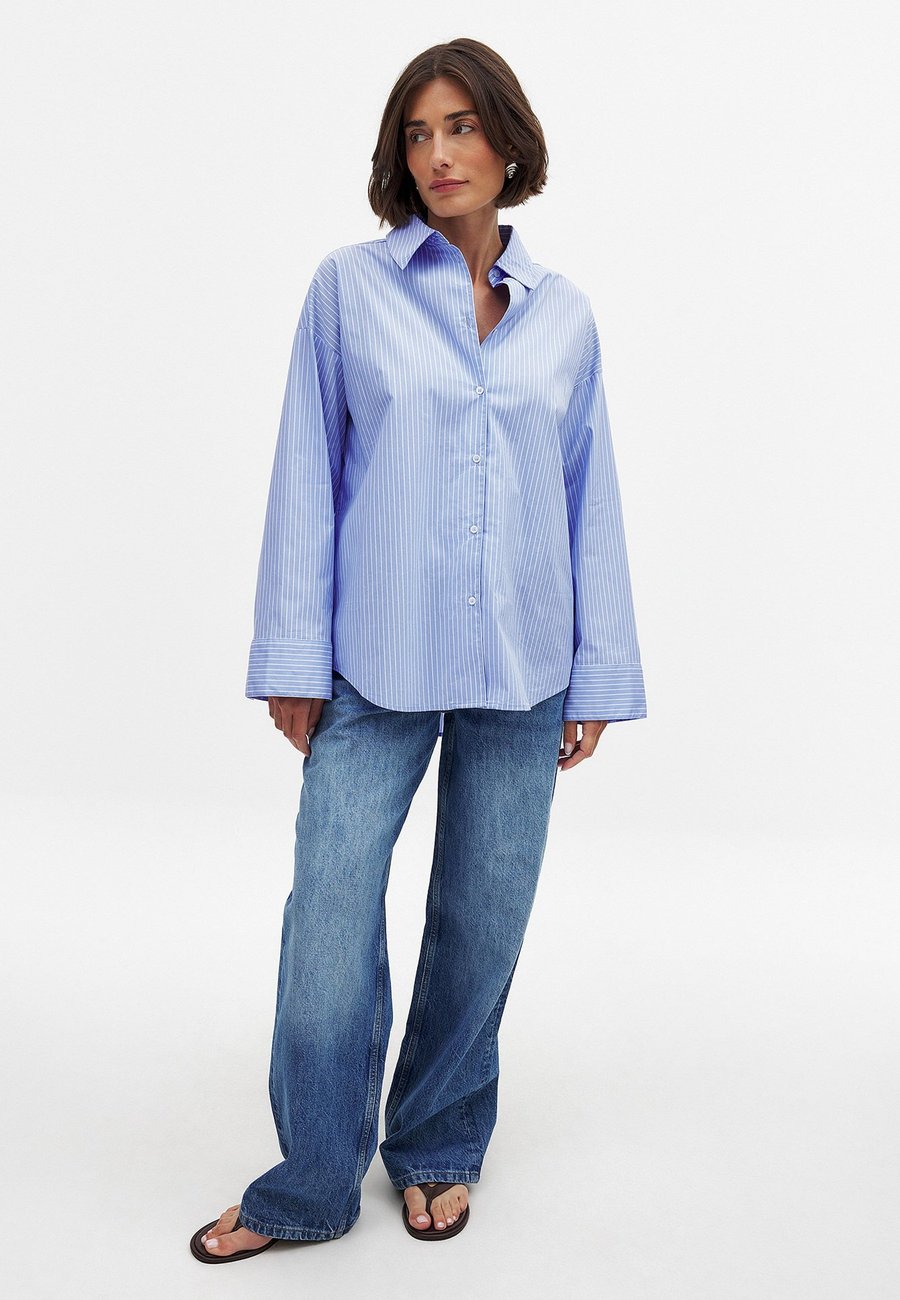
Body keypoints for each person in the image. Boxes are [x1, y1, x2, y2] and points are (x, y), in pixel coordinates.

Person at [190, 36, 646, 1264]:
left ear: (508, 142)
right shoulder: (349, 291)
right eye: (416, 132)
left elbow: (588, 495)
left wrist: (598, 670)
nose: (438, 154)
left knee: (482, 923)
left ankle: (439, 1141)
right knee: (330, 920)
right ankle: (308, 1182)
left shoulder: (565, 316)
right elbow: (306, 469)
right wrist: (293, 657)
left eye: (461, 126)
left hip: (525, 664)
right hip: (370, 662)